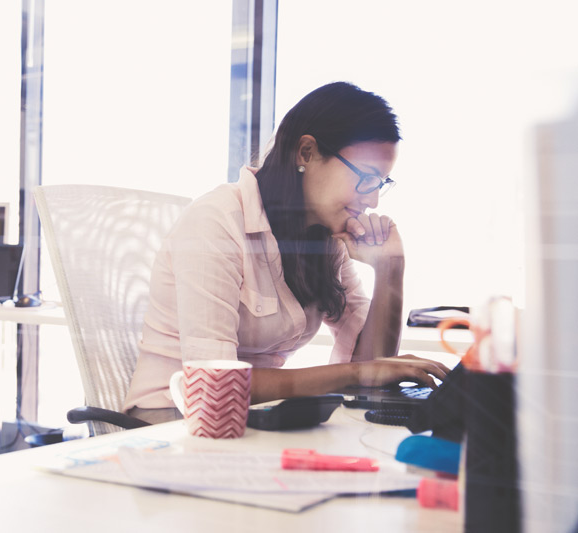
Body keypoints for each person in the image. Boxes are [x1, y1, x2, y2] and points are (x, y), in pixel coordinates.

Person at [123, 82, 450, 424]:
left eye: (381, 183)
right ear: (306, 153)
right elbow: (214, 385)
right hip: (171, 419)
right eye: (366, 178)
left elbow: (372, 369)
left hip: (254, 417)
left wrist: (390, 271)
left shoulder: (323, 239)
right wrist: (355, 373)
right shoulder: (216, 221)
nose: (372, 201)